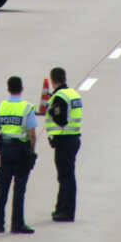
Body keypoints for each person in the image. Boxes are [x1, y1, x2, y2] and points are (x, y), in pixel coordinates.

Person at [0, 75, 37, 235]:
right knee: (19, 188)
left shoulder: (0, 107)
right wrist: (31, 151)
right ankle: (17, 223)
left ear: (8, 89)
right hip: (21, 151)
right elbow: (32, 133)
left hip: (5, 149)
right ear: (22, 89)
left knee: (2, 187)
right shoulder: (27, 108)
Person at [46, 66, 82, 222]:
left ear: (53, 80)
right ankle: (61, 208)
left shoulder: (60, 97)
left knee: (65, 177)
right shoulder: (73, 94)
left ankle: (65, 211)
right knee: (67, 176)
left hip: (64, 140)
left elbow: (61, 119)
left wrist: (51, 111)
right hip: (73, 138)